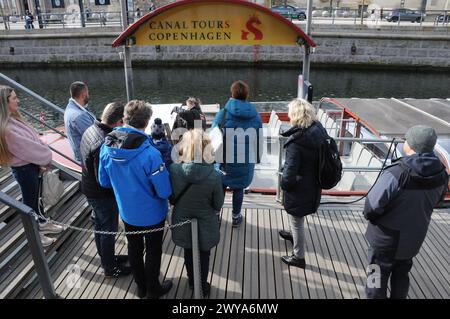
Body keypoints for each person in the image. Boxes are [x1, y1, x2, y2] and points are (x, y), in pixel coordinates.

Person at [98, 100, 173, 299]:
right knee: (154, 250)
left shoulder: (107, 146)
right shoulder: (151, 154)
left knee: (134, 248)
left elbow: (103, 181)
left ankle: (141, 287)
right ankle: (153, 288)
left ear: (125, 118)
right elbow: (164, 191)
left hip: (127, 213)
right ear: (147, 122)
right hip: (152, 214)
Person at [364, 125, 448, 299]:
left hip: (384, 241)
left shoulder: (396, 172)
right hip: (413, 239)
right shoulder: (441, 174)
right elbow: (437, 202)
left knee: (375, 277)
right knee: (401, 275)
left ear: (411, 145)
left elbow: (371, 207)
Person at [0, 86, 63, 247]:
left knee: (37, 198)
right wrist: (44, 158)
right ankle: (35, 234)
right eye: (14, 98)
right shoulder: (8, 129)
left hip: (31, 166)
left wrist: (40, 161)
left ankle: (42, 222)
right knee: (30, 201)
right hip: (24, 169)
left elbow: (33, 140)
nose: (18, 100)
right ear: (5, 103)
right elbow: (28, 148)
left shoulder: (13, 120)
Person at [169, 128, 224, 297]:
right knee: (204, 254)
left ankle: (192, 281)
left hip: (182, 218)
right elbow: (218, 204)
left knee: (188, 251)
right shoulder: (215, 175)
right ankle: (202, 284)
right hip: (206, 221)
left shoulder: (174, 170)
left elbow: (171, 198)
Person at [80, 102, 131, 278]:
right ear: (117, 122)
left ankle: (106, 258)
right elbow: (103, 179)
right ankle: (110, 268)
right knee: (108, 230)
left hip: (89, 189)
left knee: (99, 226)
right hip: (101, 195)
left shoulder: (90, 129)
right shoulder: (104, 142)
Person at [279, 99, 328, 268]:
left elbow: (289, 174)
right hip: (313, 185)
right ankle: (294, 235)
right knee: (297, 220)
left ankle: (298, 257)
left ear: (295, 116)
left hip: (299, 189)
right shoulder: (318, 131)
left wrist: (284, 184)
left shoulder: (297, 142)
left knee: (297, 220)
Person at [211, 80, 262, 227]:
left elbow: (214, 135)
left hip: (224, 160)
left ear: (232, 93)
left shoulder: (223, 113)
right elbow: (258, 139)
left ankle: (215, 215)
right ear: (246, 95)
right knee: (238, 188)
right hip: (245, 160)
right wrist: (257, 158)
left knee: (220, 187)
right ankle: (236, 216)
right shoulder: (255, 115)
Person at [64, 81, 97, 163]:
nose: (88, 96)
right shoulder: (79, 116)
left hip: (80, 154)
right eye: (88, 93)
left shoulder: (70, 107)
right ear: (83, 95)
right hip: (87, 159)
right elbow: (96, 139)